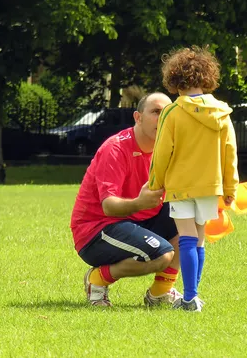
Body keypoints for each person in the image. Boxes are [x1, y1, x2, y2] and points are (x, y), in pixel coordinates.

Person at [70, 92, 183, 307]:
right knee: (163, 255)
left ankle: (160, 293)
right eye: (155, 112)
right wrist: (139, 203)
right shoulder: (116, 148)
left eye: (167, 113)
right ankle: (97, 280)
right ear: (137, 117)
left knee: (191, 217)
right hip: (96, 230)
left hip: (136, 221)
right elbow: (108, 206)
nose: (162, 118)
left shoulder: (169, 150)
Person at [149, 46, 239, 312]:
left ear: (175, 80)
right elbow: (230, 152)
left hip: (181, 186)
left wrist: (155, 184)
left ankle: (189, 299)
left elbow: (162, 152)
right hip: (211, 186)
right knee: (198, 240)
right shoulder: (222, 112)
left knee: (186, 237)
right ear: (207, 77)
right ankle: (194, 295)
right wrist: (230, 187)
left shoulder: (172, 113)